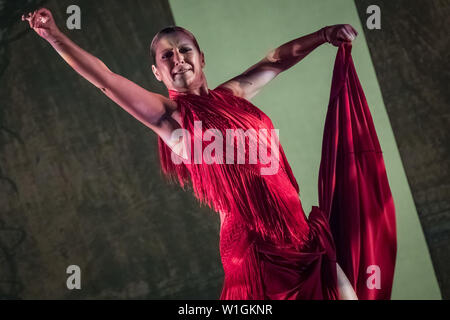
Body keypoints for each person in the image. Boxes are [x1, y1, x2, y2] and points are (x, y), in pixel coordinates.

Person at [23, 7, 372, 300]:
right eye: (167, 56)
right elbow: (105, 79)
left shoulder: (234, 95)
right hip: (255, 248)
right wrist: (54, 34)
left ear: (201, 58)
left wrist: (324, 34)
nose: (178, 59)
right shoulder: (169, 118)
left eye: (184, 50)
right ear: (157, 72)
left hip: (300, 234)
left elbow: (276, 60)